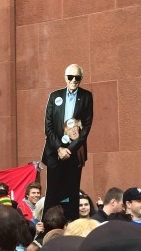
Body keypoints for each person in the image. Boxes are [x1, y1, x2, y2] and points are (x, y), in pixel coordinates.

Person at [42, 63, 93, 221]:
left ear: (81, 79)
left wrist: (69, 149)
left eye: (77, 78)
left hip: (73, 153)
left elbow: (86, 127)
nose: (73, 80)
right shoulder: (54, 96)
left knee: (72, 193)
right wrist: (59, 148)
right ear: (65, 78)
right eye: (70, 77)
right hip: (54, 153)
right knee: (52, 193)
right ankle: (48, 229)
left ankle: (71, 227)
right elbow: (48, 126)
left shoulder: (86, 96)